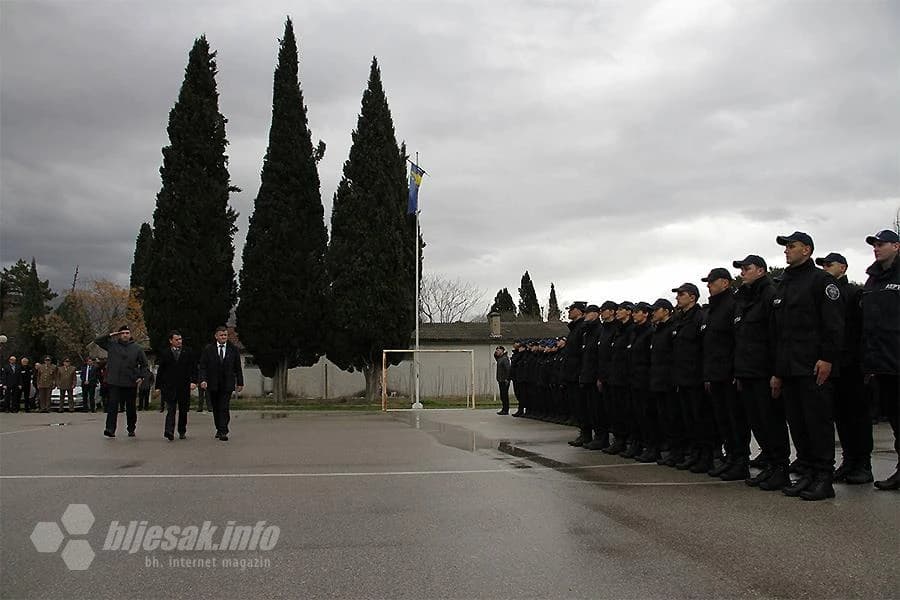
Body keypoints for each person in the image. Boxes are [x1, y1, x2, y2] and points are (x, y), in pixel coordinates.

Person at [771, 231, 844, 501]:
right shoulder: (785, 284)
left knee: (818, 423)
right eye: (786, 247)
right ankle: (808, 473)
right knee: (798, 425)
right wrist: (778, 371)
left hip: (813, 366)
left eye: (792, 246)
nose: (786, 251)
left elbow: (834, 325)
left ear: (807, 250)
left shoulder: (821, 281)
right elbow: (779, 333)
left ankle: (824, 477)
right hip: (790, 368)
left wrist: (827, 358)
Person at [732, 255, 790, 491]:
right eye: (741, 269)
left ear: (761, 271)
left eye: (747, 268)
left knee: (771, 422)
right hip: (748, 372)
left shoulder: (770, 294)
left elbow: (777, 336)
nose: (743, 273)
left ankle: (780, 469)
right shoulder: (745, 298)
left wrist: (777, 372)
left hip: (765, 372)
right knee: (758, 423)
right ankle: (770, 465)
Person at [816, 252, 871, 484]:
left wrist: (865, 362)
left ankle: (863, 464)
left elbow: (862, 330)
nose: (826, 268)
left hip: (853, 365)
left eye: (830, 264)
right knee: (840, 417)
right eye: (823, 265)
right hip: (834, 365)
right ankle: (849, 461)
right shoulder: (823, 293)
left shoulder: (853, 293)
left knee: (857, 415)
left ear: (844, 268)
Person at [861, 229, 900, 491]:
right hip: (882, 363)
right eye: (874, 244)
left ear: (896, 246)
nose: (876, 247)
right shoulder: (872, 281)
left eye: (882, 243)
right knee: (896, 420)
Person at [701, 267, 748, 481]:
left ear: (726, 283)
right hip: (716, 374)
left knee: (735, 419)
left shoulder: (733, 305)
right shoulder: (712, 309)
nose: (708, 285)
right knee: (723, 421)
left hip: (729, 374)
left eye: (712, 281)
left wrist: (735, 371)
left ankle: (740, 461)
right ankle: (731, 459)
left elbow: (737, 341)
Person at [671, 283, 711, 473]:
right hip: (682, 378)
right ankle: (694, 455)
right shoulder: (680, 319)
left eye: (681, 294)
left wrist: (704, 375)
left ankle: (705, 457)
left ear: (693, 297)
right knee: (689, 420)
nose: (678, 297)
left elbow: (703, 349)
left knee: (700, 419)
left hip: (695, 377)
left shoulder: (699, 317)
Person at [95, 325, 150, 438]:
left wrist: (140, 376)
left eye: (127, 333)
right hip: (115, 381)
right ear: (119, 334)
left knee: (130, 408)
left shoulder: (137, 348)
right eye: (123, 333)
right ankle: (110, 429)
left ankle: (131, 428)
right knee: (112, 406)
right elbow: (98, 341)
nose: (125, 335)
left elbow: (144, 365)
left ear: (130, 335)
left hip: (130, 382)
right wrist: (111, 334)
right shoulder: (112, 345)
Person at [649, 299, 680, 466]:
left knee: (674, 418)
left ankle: (678, 451)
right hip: (658, 381)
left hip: (670, 381)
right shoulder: (657, 331)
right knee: (664, 418)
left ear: (666, 311)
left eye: (657, 309)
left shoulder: (672, 328)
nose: (654, 312)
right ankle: (671, 451)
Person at [198, 326, 243, 441]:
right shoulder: (209, 349)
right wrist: (203, 380)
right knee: (216, 408)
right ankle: (219, 428)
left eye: (225, 335)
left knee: (224, 407)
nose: (224, 337)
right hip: (213, 384)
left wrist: (240, 382)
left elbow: (238, 367)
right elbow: (203, 366)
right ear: (216, 336)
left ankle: (223, 430)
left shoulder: (233, 350)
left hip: (227, 383)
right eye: (221, 335)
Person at [155, 330, 197, 441]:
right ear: (170, 341)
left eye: (180, 339)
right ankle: (169, 431)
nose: (179, 341)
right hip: (169, 387)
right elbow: (161, 371)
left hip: (183, 386)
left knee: (183, 410)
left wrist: (194, 381)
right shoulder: (165, 353)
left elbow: (193, 368)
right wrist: (158, 387)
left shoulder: (188, 352)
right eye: (176, 339)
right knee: (171, 409)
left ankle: (182, 430)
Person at [629, 302, 658, 462]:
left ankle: (652, 447)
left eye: (637, 312)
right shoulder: (635, 333)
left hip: (646, 380)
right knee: (638, 415)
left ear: (646, 314)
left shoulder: (649, 332)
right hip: (635, 379)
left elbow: (649, 359)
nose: (634, 314)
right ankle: (642, 445)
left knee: (648, 415)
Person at [494, 346, 511, 415]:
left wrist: (507, 379)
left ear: (502, 351)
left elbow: (508, 369)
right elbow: (495, 357)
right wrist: (495, 353)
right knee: (502, 395)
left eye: (498, 350)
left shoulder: (504, 359)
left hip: (504, 380)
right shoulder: (500, 358)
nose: (497, 351)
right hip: (500, 380)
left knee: (504, 395)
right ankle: (504, 408)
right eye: (496, 350)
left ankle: (506, 410)